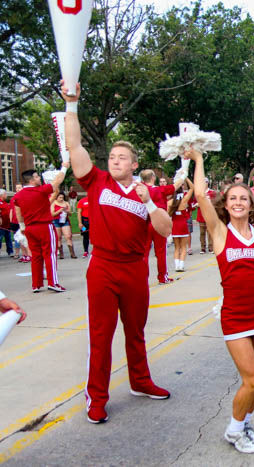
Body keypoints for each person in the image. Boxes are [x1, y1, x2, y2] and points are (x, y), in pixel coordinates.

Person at [63, 81, 172, 424]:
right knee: (101, 334)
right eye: (112, 156)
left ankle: (140, 381)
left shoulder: (146, 192)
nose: (115, 160)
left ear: (135, 163)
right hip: (103, 266)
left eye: (122, 157)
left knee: (136, 330)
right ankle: (97, 397)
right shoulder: (97, 182)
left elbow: (165, 229)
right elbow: (74, 145)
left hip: (134, 268)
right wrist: (71, 105)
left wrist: (150, 202)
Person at [187, 149, 254, 454]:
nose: (237, 202)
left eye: (243, 198)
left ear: (251, 206)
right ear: (226, 204)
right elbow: (199, 194)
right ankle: (233, 430)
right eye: (233, 198)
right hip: (235, 315)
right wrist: (198, 159)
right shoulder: (220, 232)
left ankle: (245, 421)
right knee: (251, 378)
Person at [13, 165, 69, 292]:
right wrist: (64, 167)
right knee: (50, 254)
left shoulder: (19, 195)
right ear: (31, 180)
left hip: (29, 228)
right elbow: (57, 181)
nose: (39, 178)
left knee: (36, 256)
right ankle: (53, 282)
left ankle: (36, 284)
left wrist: (22, 226)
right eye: (37, 177)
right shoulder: (40, 190)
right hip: (44, 226)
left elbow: (18, 211)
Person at [140, 169, 184, 284]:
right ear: (153, 177)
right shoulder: (159, 190)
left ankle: (142, 278)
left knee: (144, 253)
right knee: (160, 252)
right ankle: (162, 277)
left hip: (144, 223)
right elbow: (176, 186)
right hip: (158, 223)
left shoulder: (138, 190)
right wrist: (183, 174)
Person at [169, 180, 194, 272]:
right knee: (184, 247)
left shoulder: (170, 202)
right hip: (183, 226)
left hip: (174, 226)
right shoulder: (184, 200)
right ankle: (181, 266)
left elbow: (168, 215)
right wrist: (186, 177)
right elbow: (192, 187)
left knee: (176, 247)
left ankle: (176, 266)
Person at [51, 192, 77, 259]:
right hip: (56, 221)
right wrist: (59, 211)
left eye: (62, 197)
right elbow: (52, 214)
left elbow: (70, 214)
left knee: (68, 236)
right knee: (58, 237)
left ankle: (72, 253)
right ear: (56, 197)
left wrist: (67, 211)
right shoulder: (53, 203)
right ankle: (61, 253)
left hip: (65, 221)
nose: (61, 199)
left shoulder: (66, 203)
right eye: (60, 197)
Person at [196, 179, 217, 254]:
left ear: (208, 183)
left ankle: (211, 247)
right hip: (201, 215)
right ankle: (203, 247)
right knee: (202, 233)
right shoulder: (199, 192)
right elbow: (195, 203)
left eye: (206, 182)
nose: (204, 184)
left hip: (209, 215)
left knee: (210, 232)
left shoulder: (212, 192)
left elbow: (215, 203)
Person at [0, 189, 13, 257]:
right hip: (1, 226)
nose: (6, 195)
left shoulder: (5, 202)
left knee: (9, 239)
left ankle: (10, 251)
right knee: (0, 239)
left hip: (7, 225)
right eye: (5, 194)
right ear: (2, 195)